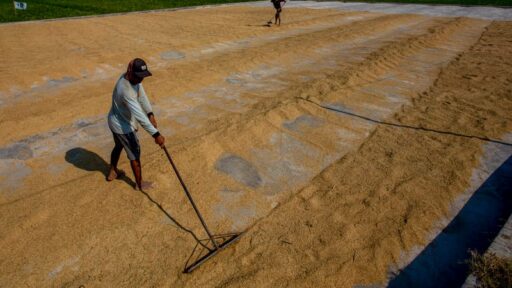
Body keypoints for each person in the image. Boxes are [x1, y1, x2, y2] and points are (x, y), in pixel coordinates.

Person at [107, 58, 165, 192]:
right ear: (130, 72)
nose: (141, 80)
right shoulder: (125, 90)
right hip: (123, 127)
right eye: (139, 77)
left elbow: (142, 95)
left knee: (119, 145)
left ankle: (113, 171)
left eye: (142, 77)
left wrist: (150, 113)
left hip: (114, 120)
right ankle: (139, 184)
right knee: (135, 153)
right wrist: (156, 135)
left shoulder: (133, 78)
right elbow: (139, 116)